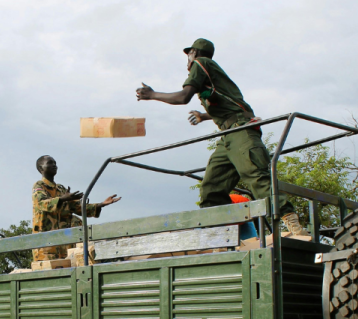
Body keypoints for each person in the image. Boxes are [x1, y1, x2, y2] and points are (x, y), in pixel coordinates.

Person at [135, 38, 308, 237]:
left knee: (256, 176)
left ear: (194, 53)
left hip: (241, 131)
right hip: (227, 135)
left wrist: (153, 94)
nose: (187, 60)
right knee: (211, 189)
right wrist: (205, 116)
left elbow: (183, 97)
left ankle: (293, 225)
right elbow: (228, 103)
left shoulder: (202, 64)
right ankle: (224, 236)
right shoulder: (210, 74)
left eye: (188, 54)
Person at [32, 155, 120, 261]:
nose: (54, 165)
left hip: (64, 245)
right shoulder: (39, 186)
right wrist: (63, 199)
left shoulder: (61, 189)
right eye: (50, 163)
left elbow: (77, 208)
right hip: (46, 246)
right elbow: (41, 203)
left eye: (55, 163)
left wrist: (101, 204)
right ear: (41, 168)